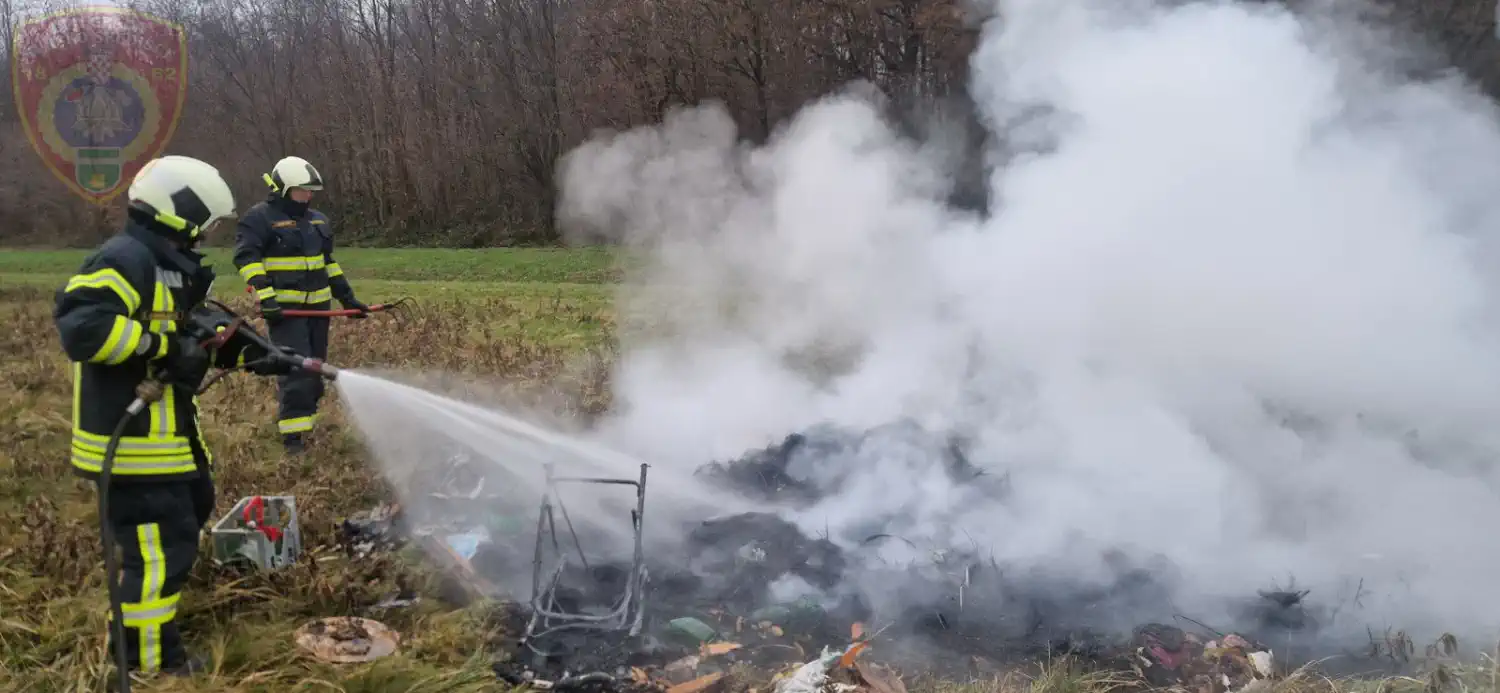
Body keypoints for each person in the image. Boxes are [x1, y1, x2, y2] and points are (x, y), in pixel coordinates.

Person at [54, 155, 280, 676]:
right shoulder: (124, 259)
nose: (208, 235)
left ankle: (150, 631)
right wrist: (160, 345)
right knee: (157, 555)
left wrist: (244, 352)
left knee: (187, 518)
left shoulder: (166, 264)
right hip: (131, 442)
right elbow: (83, 328)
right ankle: (150, 668)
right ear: (179, 212)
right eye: (205, 223)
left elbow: (189, 333)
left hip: (167, 441)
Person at [233, 156, 368, 454]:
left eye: (310, 191)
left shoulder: (318, 220)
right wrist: (266, 298)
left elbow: (327, 264)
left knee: (316, 370)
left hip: (319, 310)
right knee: (297, 370)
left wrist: (347, 299)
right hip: (285, 312)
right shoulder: (259, 219)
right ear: (283, 189)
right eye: (301, 191)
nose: (308, 196)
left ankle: (306, 426)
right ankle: (292, 440)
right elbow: (247, 260)